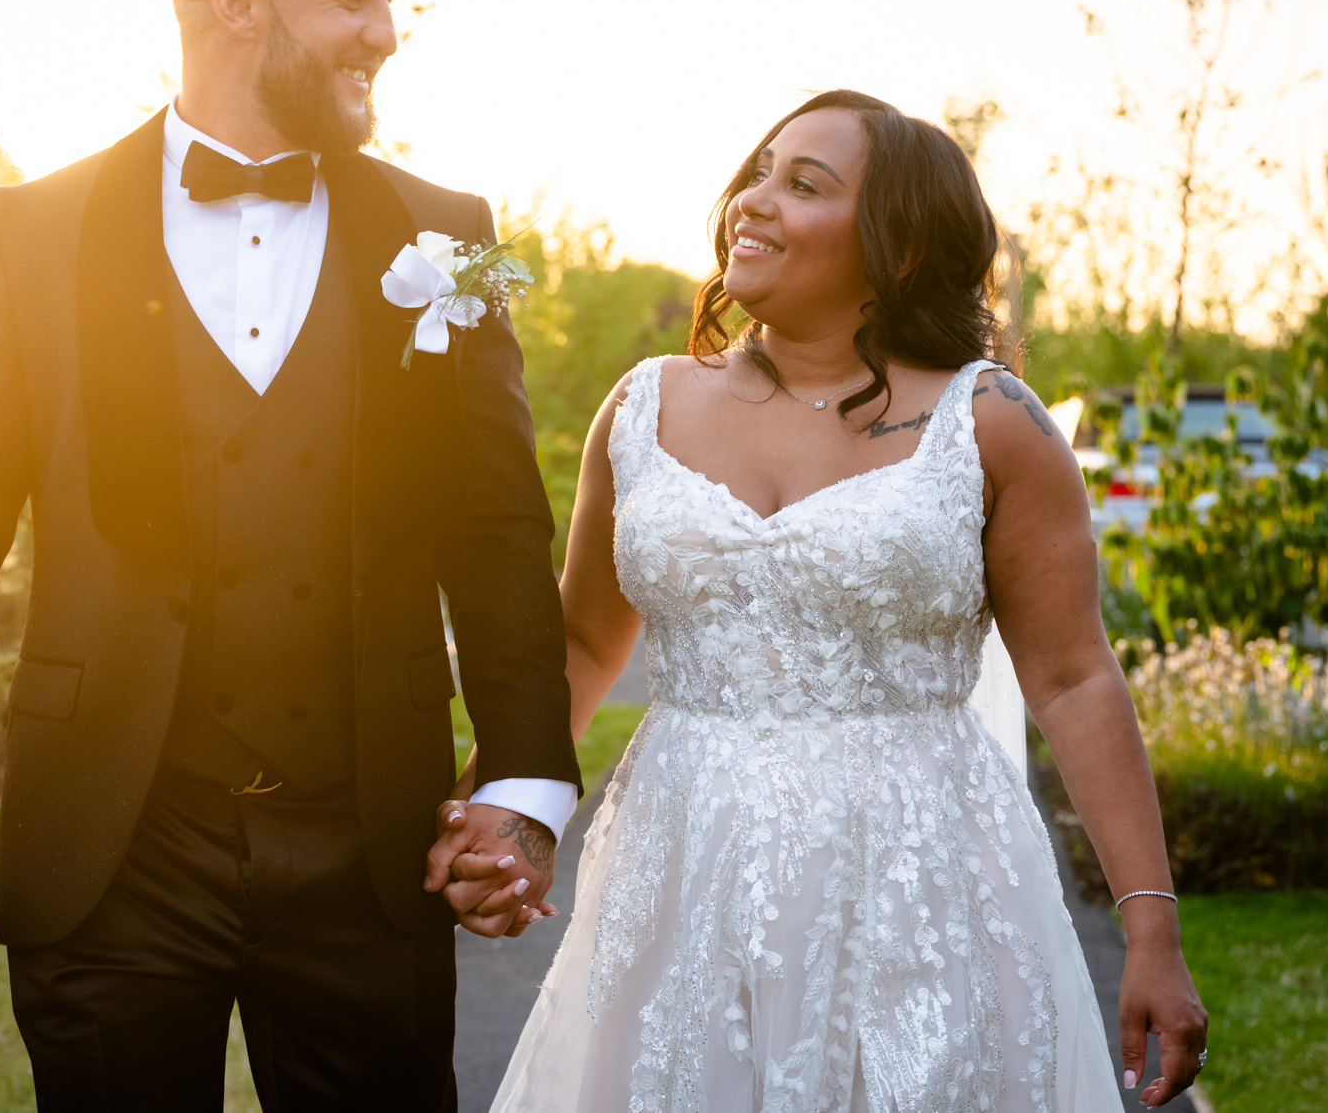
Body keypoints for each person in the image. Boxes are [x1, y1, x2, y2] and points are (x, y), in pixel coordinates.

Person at [0, 0, 580, 1109]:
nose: (382, 35)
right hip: (112, 838)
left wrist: (521, 780)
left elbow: (497, 531)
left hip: (365, 845)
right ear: (234, 1)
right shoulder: (33, 231)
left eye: (392, 3)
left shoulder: (445, 231)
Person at [477, 91, 1209, 1111]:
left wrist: (1150, 928)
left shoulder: (990, 423)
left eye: (803, 184)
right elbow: (585, 642)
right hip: (683, 860)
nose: (753, 201)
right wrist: (509, 815)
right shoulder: (642, 404)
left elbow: (1073, 676)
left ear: (896, 246)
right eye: (757, 172)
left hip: (915, 875)